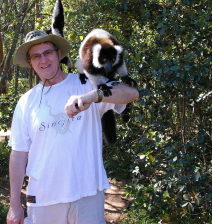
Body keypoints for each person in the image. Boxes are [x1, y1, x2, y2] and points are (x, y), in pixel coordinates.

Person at [7, 30, 139, 224]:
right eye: (36, 56)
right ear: (30, 62)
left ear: (59, 54)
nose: (43, 60)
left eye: (48, 53)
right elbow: (18, 155)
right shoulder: (26, 102)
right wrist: (14, 205)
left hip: (87, 196)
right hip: (43, 200)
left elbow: (131, 93)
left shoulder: (87, 83)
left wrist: (94, 96)